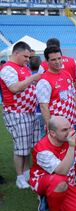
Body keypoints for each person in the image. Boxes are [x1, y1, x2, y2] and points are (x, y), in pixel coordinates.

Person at [36, 45, 76, 184]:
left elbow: (73, 97)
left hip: (72, 121)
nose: (58, 62)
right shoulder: (44, 81)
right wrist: (49, 127)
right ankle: (55, 182)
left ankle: (73, 173)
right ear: (47, 61)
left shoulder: (66, 74)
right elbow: (43, 106)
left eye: (59, 58)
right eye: (53, 60)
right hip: (58, 126)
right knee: (60, 152)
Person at [0, 41, 41, 189]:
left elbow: (29, 86)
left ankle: (26, 172)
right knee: (21, 147)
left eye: (29, 57)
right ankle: (19, 177)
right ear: (16, 53)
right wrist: (33, 78)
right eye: (25, 56)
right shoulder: (7, 69)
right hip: (16, 112)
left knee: (29, 145)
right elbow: (14, 88)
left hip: (29, 111)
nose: (27, 60)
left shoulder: (23, 67)